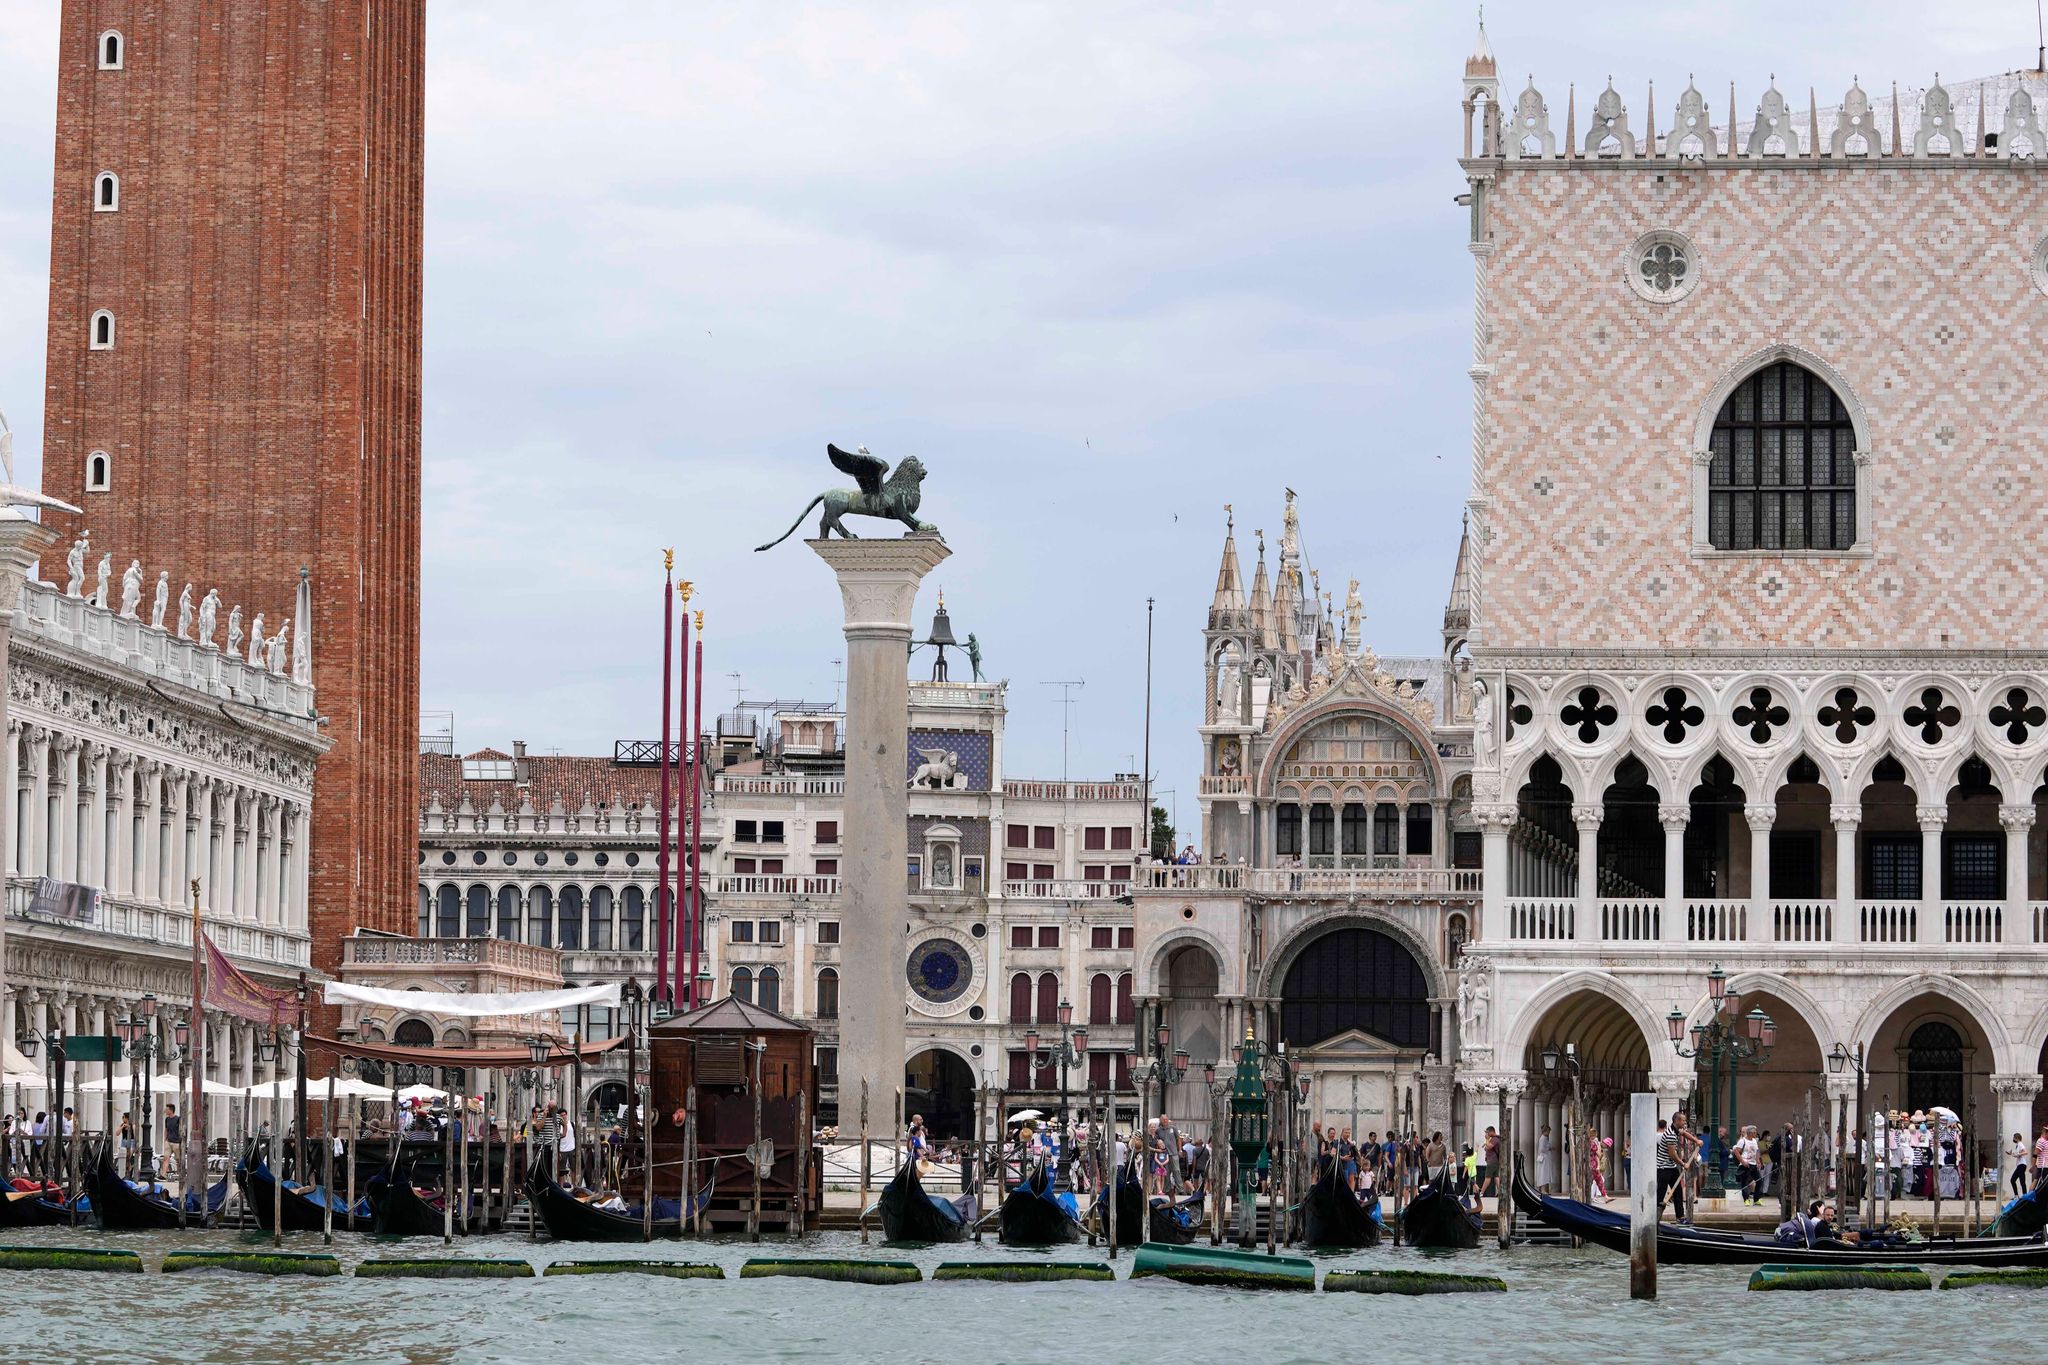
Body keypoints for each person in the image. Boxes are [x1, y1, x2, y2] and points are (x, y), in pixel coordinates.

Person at [1734, 1125, 1761, 1205]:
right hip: (1745, 1164)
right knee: (1744, 1182)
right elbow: (1736, 1151)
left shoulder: (1754, 1141)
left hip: (1753, 1164)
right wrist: (1742, 1162)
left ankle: (1756, 1199)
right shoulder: (1742, 1141)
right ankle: (1746, 1199)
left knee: (1759, 1180)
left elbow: (1757, 1151)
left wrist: (1758, 1161)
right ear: (1750, 1133)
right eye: (1754, 1132)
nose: (1756, 1134)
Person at [1536, 1124, 1555, 1194]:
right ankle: (1543, 1190)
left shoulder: (1544, 1138)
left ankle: (1543, 1189)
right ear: (1546, 1131)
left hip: (1545, 1159)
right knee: (1543, 1174)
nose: (1549, 1133)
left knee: (1544, 1173)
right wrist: (1549, 1148)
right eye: (1548, 1131)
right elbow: (1542, 1149)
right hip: (1543, 1159)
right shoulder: (1543, 1138)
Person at [2010, 1132, 2030, 1197]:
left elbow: (2026, 1152)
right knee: (2013, 1180)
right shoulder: (2018, 1145)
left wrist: (2018, 1154)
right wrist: (2011, 1154)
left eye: (2013, 1137)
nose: (2013, 1139)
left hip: (2022, 1165)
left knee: (2022, 1181)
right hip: (2020, 1165)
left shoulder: (2020, 1144)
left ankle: (2024, 1196)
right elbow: (2017, 1155)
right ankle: (2017, 1196)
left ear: (2016, 1138)